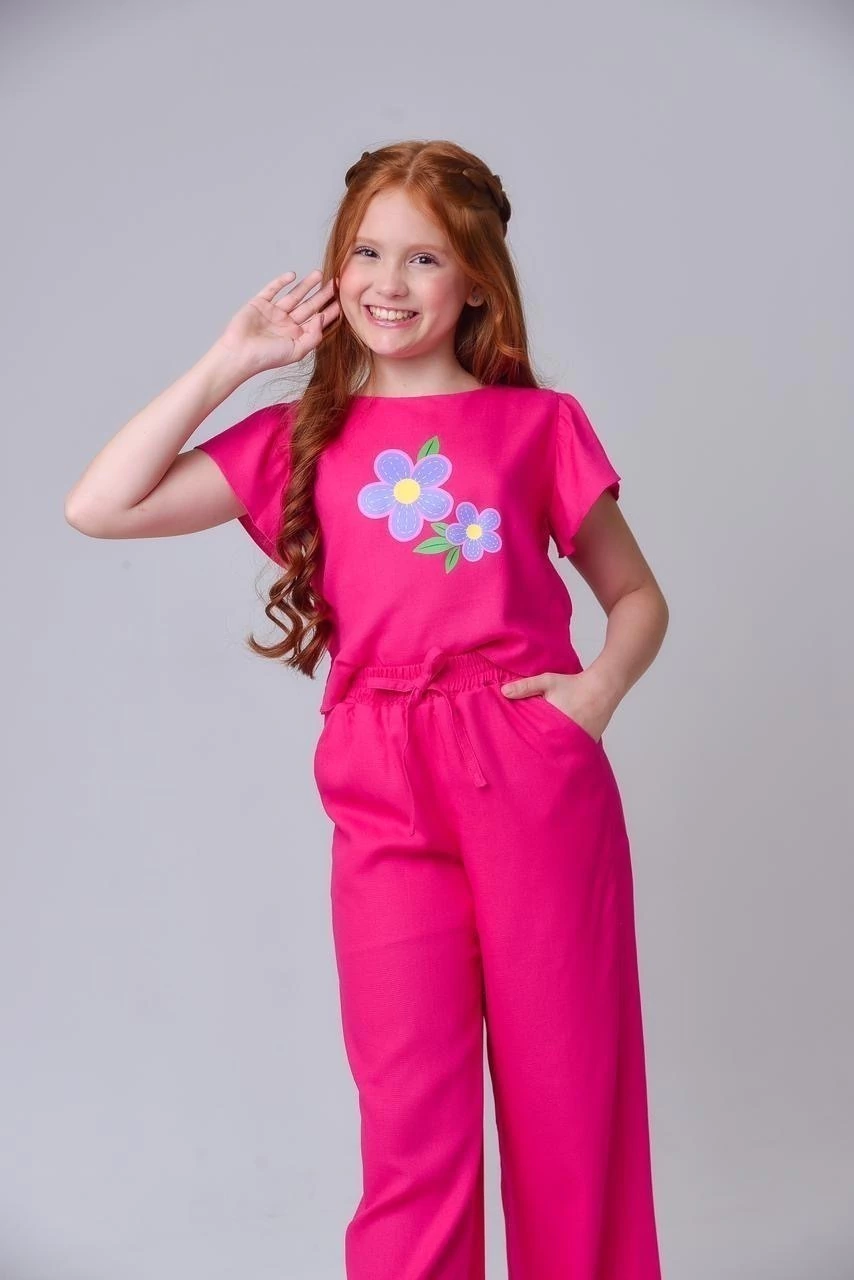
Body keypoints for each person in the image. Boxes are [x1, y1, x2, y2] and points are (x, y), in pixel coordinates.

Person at [65, 138, 669, 1280]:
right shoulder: (304, 433)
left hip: (529, 766)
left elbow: (637, 597)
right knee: (410, 1123)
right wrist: (230, 361)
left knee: (567, 1098)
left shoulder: (538, 425)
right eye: (366, 253)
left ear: (476, 281)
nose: (388, 282)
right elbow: (99, 505)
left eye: (424, 257)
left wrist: (592, 695)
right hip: (380, 778)